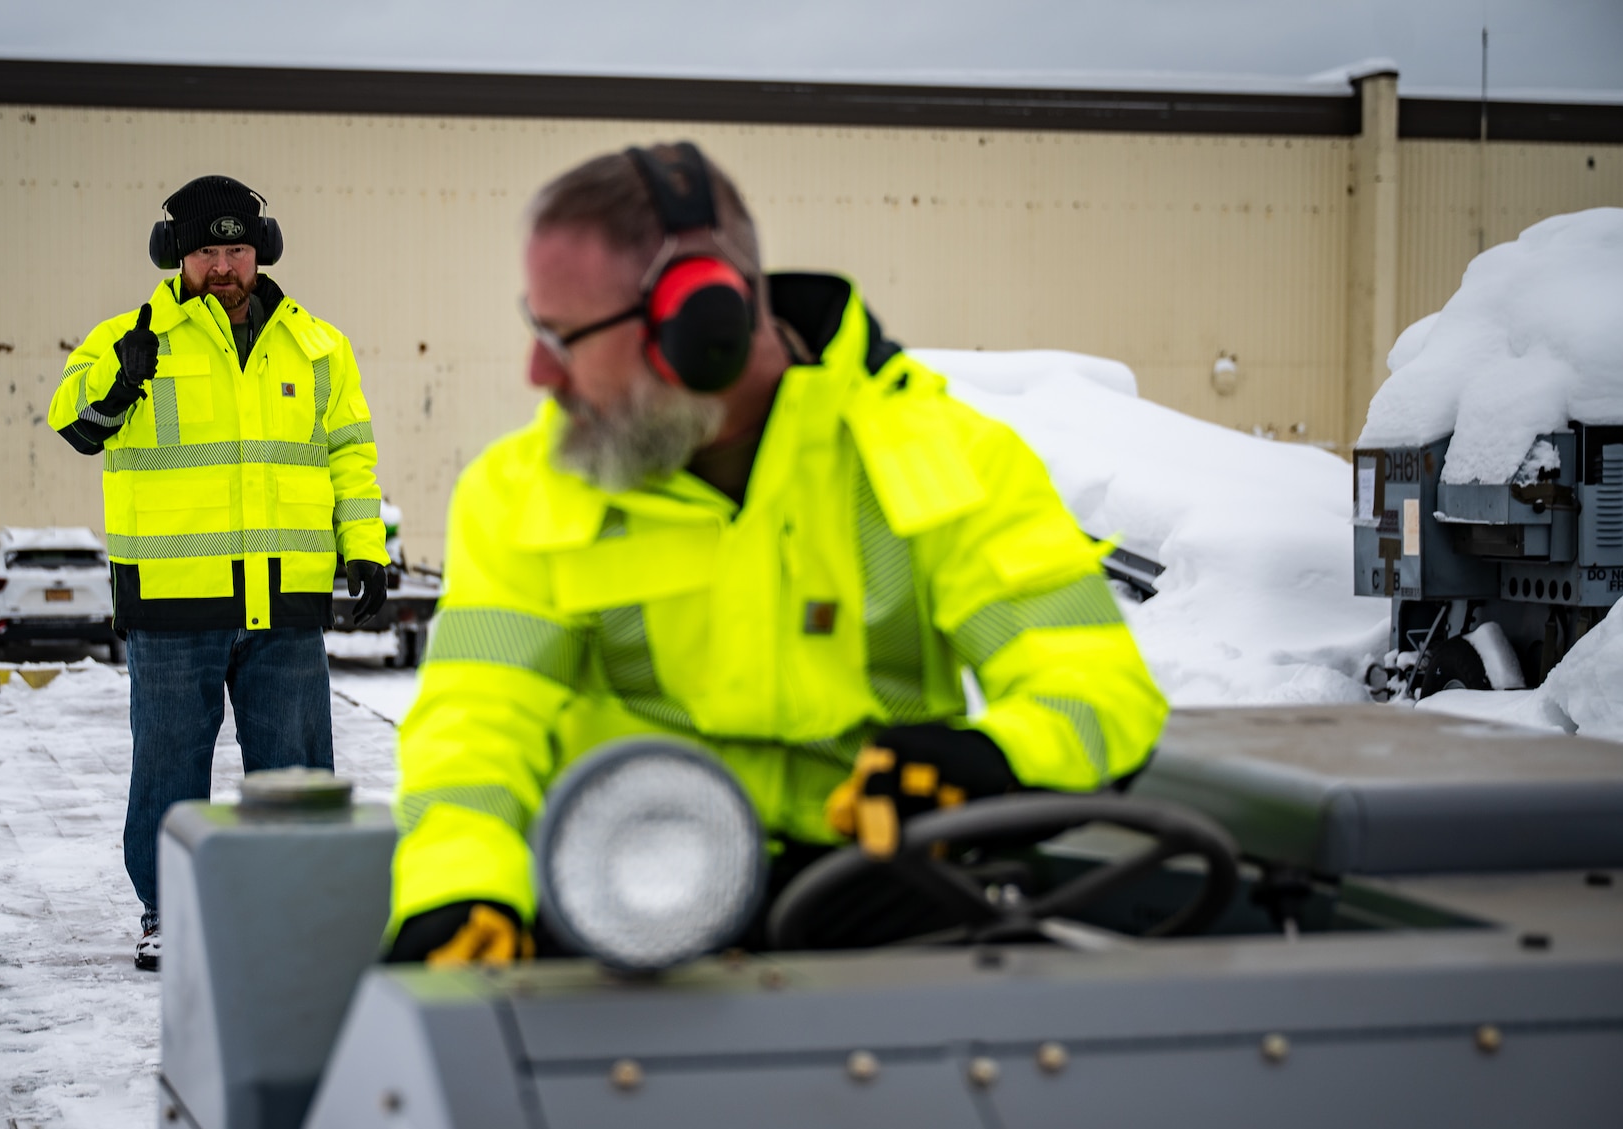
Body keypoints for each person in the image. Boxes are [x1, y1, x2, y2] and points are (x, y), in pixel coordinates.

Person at [385, 142, 1166, 964]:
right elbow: (476, 728)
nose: (538, 370)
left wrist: (995, 760)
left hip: (878, 904)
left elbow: (1096, 688)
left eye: (562, 334)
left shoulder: (948, 462)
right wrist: (460, 889)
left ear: (699, 329)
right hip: (619, 905)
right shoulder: (522, 489)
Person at [50, 175, 388, 970]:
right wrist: (120, 379)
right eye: (207, 250)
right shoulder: (131, 337)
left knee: (299, 772)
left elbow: (350, 455)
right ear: (176, 254)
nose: (224, 265)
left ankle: (299, 911)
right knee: (169, 765)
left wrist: (364, 545)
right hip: (174, 604)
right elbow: (76, 422)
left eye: (237, 248)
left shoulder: (318, 346)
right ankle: (169, 911)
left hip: (286, 600)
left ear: (261, 248)